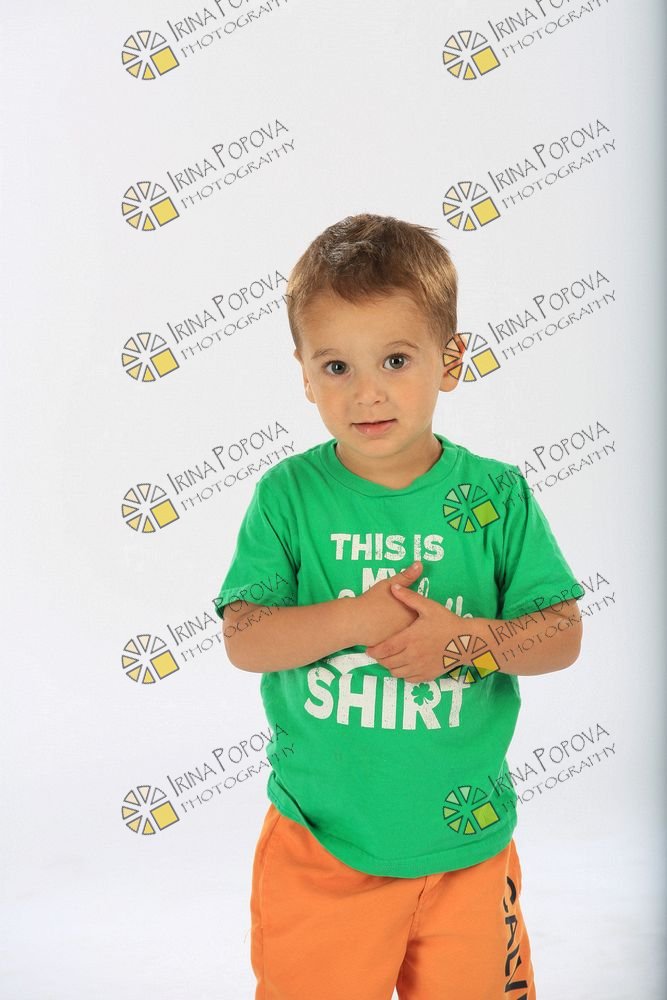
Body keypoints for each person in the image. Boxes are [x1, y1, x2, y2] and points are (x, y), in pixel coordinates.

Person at [213, 213, 584, 1000]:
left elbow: (560, 636)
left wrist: (467, 642)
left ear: (450, 360)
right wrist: (356, 619)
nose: (367, 391)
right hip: (322, 847)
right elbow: (245, 640)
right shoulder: (288, 496)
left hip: (467, 846)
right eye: (336, 366)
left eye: (394, 359)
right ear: (304, 375)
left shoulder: (494, 495)